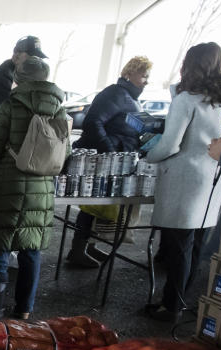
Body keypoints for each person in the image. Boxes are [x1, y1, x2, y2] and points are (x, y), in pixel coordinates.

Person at [0, 56, 68, 320]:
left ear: (18, 79)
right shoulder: (59, 110)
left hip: (8, 180)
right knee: (31, 247)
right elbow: (64, 151)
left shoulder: (11, 104)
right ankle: (24, 308)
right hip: (42, 184)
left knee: (1, 242)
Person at [144, 42, 221, 323]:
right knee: (195, 245)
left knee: (179, 247)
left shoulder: (186, 100)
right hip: (213, 180)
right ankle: (176, 302)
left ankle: (171, 307)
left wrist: (148, 157)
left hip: (185, 180)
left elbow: (170, 144)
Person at [67, 56, 153, 268]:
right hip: (104, 160)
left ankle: (89, 244)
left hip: (115, 159)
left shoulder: (130, 98)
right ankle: (78, 249)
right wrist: (111, 151)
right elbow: (93, 122)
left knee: (101, 207)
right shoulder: (116, 93)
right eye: (144, 75)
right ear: (129, 73)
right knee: (91, 207)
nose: (146, 80)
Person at [0, 36, 46, 135]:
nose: (35, 60)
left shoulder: (15, 73)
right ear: (16, 54)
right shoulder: (4, 77)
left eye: (37, 57)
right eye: (31, 55)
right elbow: (5, 116)